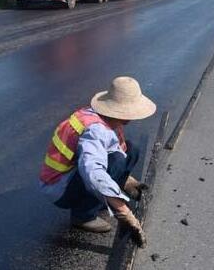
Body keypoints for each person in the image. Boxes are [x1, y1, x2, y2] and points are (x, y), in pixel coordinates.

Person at [39, 76, 156, 247]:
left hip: (72, 174)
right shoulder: (95, 130)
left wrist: (127, 181)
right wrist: (124, 213)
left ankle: (108, 195)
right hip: (59, 188)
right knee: (114, 161)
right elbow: (93, 174)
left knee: (131, 150)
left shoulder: (108, 117)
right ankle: (83, 216)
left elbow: (116, 148)